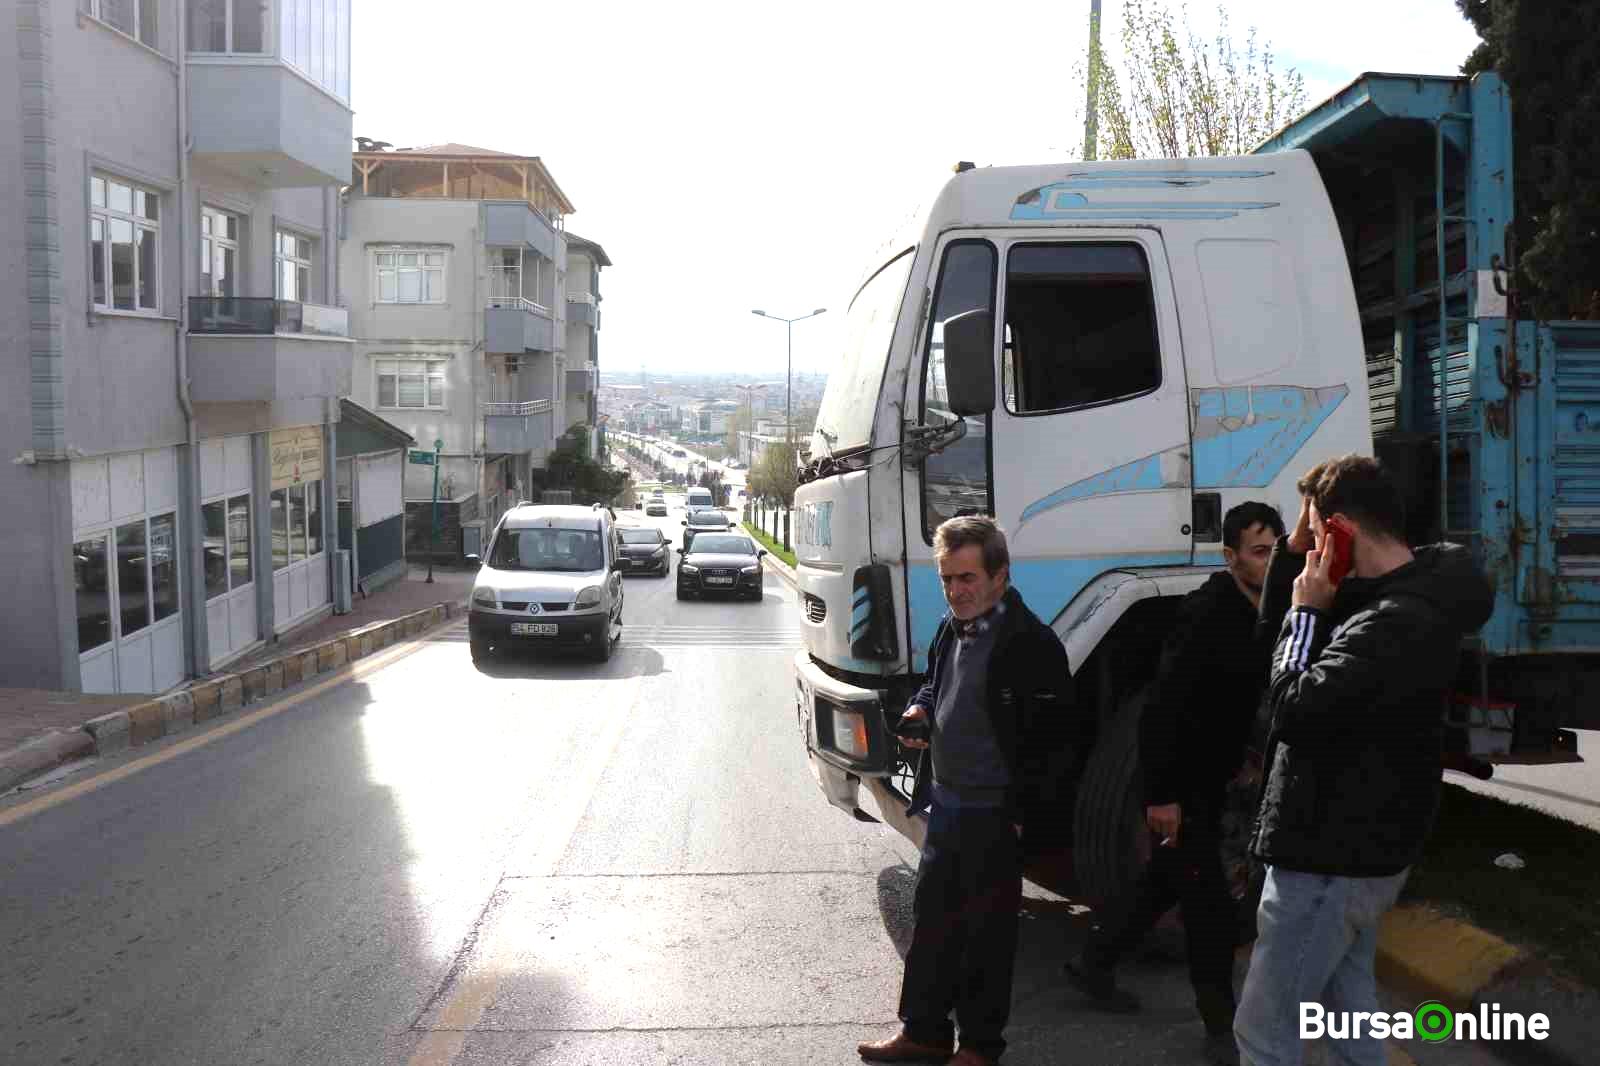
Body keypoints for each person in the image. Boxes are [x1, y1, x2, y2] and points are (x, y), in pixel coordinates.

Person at [1234, 456, 1494, 1066]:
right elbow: (1268, 646)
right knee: (1347, 1017)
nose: (1303, 546)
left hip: (1329, 857)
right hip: (1355, 854)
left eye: (1312, 532)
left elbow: (1292, 705)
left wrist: (1307, 612)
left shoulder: (1393, 622)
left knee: (1266, 1035)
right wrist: (1297, 558)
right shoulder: (1395, 593)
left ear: (1343, 530)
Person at [1064, 502, 1285, 1064]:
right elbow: (1160, 710)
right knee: (1208, 907)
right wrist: (1160, 796)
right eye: (1259, 551)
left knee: (1163, 882)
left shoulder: (1269, 603)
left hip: (1223, 780)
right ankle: (1220, 1029)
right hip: (1183, 784)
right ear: (1230, 556)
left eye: (1276, 548)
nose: (1271, 560)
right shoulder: (1208, 612)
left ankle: (1094, 964)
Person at [858, 515, 1074, 1066]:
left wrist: (1025, 815)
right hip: (947, 805)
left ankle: (979, 1047)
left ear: (1000, 575)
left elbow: (1056, 744)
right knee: (933, 928)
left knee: (985, 938)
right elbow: (935, 683)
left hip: (995, 813)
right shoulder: (952, 627)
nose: (955, 591)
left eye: (967, 578)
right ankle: (924, 1033)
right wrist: (920, 710)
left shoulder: (1033, 645)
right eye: (947, 578)